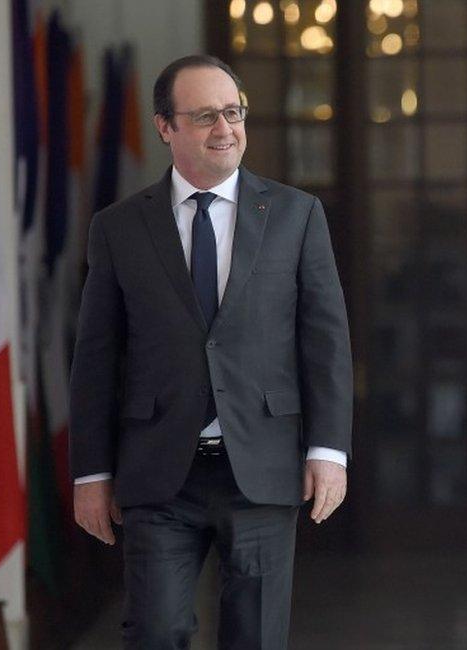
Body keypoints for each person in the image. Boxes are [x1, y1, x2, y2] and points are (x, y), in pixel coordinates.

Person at [69, 54, 352, 649]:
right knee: (157, 629)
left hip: (263, 467)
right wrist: (91, 470)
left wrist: (329, 450)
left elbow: (324, 341)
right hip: (158, 470)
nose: (225, 128)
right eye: (204, 116)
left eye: (233, 112)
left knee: (253, 636)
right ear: (165, 127)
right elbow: (96, 357)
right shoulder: (118, 227)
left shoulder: (296, 215)